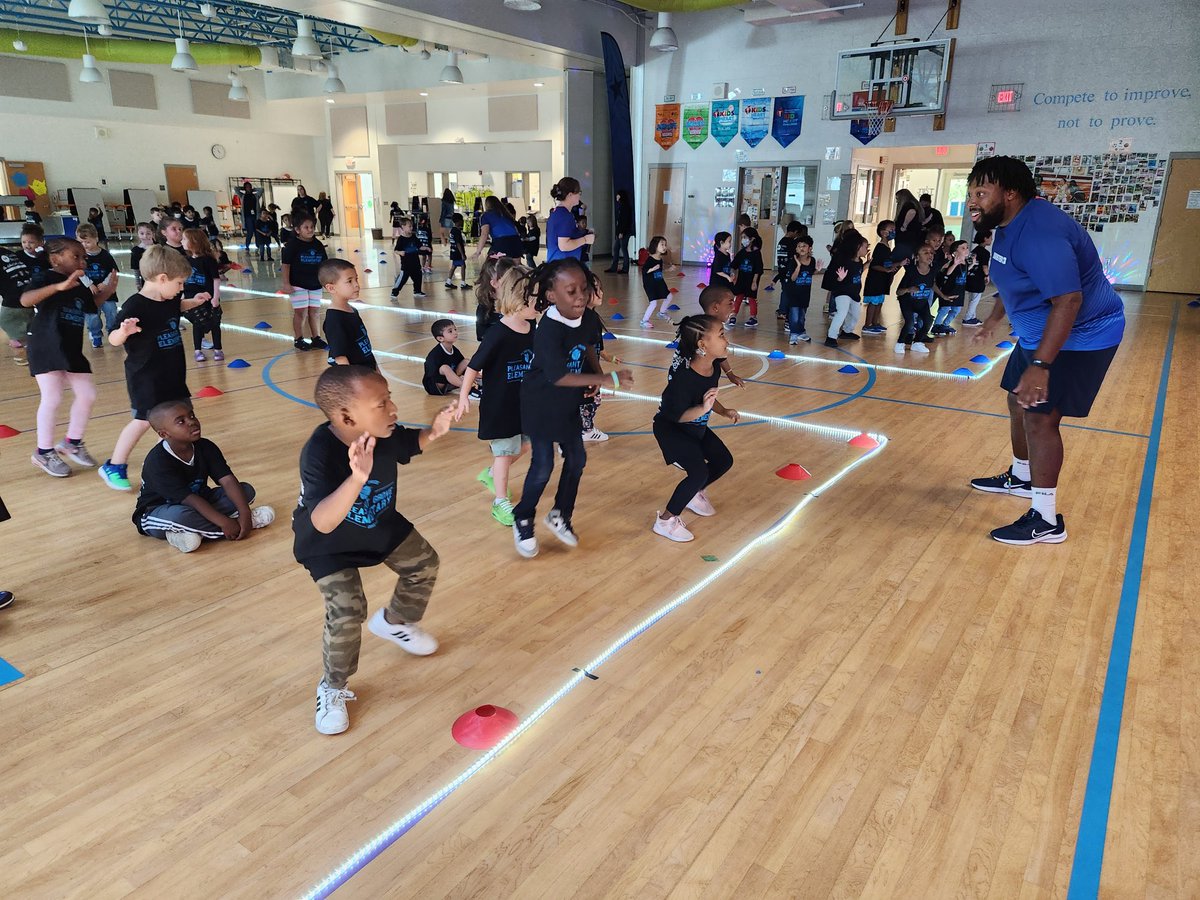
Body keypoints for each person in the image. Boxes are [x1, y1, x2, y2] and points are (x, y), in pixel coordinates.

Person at [965, 156, 1125, 545]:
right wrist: (993, 319)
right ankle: (1022, 477)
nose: (972, 202)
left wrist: (1041, 364)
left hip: (1081, 336)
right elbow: (1011, 279)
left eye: (981, 193)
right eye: (971, 193)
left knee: (1040, 418)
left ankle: (1046, 519)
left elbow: (1068, 301)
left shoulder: (1041, 234)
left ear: (1010, 193)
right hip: (1039, 333)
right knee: (1016, 401)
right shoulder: (1007, 224)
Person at [293, 365, 454, 735]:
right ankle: (332, 687)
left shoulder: (384, 432)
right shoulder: (319, 452)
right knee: (347, 611)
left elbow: (412, 443)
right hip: (328, 544)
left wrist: (435, 430)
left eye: (390, 398)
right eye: (382, 404)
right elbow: (323, 522)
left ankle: (395, 623)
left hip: (378, 522)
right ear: (347, 417)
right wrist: (358, 477)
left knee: (424, 564)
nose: (393, 409)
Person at [510, 258, 633, 558]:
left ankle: (560, 515)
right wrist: (606, 377)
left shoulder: (587, 317)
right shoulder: (549, 328)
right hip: (540, 403)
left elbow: (590, 344)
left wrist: (595, 374)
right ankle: (523, 517)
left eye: (584, 288)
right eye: (571, 291)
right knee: (543, 465)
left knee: (577, 459)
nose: (580, 296)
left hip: (567, 400)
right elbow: (558, 376)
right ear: (552, 295)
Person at [97, 245, 208, 491]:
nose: (181, 288)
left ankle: (176, 463)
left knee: (181, 417)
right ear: (162, 279)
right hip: (146, 378)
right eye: (179, 283)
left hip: (173, 375)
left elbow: (176, 307)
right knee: (143, 421)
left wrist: (194, 302)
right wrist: (124, 332)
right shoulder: (135, 306)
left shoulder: (170, 298)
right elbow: (113, 338)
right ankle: (114, 465)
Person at [21, 237, 112, 478]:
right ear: (56, 259)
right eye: (76, 256)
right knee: (52, 397)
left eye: (84, 257)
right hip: (45, 345)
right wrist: (59, 287)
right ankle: (44, 451)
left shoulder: (79, 284)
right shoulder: (45, 277)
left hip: (71, 348)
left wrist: (109, 291)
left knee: (88, 394)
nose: (83, 261)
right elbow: (25, 300)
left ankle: (72, 442)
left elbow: (90, 306)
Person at [132, 400, 274, 553]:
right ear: (164, 434)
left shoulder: (205, 446)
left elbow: (227, 480)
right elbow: (188, 499)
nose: (191, 422)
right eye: (181, 421)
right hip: (158, 511)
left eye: (192, 416)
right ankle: (239, 526)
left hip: (200, 501)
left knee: (245, 490)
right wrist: (225, 522)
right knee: (181, 516)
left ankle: (187, 533)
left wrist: (244, 513)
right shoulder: (157, 461)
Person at [452, 265, 535, 527]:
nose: (541, 303)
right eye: (535, 299)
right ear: (519, 299)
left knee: (527, 445)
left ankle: (491, 473)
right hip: (500, 407)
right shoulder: (497, 333)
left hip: (524, 404)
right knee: (504, 453)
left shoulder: (531, 327)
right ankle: (500, 502)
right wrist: (463, 397)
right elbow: (473, 367)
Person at [651, 315, 739, 543]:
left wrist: (723, 410)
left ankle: (693, 493)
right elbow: (677, 416)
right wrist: (703, 409)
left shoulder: (714, 367)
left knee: (723, 460)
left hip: (695, 428)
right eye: (721, 335)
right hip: (672, 429)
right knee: (698, 472)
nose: (726, 340)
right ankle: (666, 521)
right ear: (702, 345)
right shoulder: (683, 379)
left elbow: (707, 397)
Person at [281, 214, 328, 352]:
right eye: (306, 227)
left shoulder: (318, 244)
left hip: (315, 284)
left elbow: (324, 264)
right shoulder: (292, 245)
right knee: (300, 312)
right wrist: (286, 284)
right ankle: (299, 339)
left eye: (312, 227)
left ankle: (316, 338)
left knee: (315, 312)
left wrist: (326, 281)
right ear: (297, 230)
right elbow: (286, 265)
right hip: (298, 285)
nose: (310, 230)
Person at [320, 258, 376, 370]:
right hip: (355, 376)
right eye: (349, 281)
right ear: (331, 288)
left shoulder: (352, 310)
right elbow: (340, 358)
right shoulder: (334, 320)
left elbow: (366, 350)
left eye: (356, 279)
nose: (356, 285)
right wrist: (353, 380)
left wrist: (376, 371)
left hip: (368, 372)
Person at [181, 228, 223, 362]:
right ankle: (197, 350)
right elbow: (183, 280)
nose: (182, 241)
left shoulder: (208, 260)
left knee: (215, 323)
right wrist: (182, 296)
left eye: (184, 239)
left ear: (194, 241)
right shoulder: (186, 260)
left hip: (208, 298)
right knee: (197, 324)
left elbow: (216, 279)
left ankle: (218, 349)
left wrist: (215, 297)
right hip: (191, 298)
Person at [821, 229, 868, 348]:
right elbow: (836, 277)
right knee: (842, 312)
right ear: (857, 247)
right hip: (842, 291)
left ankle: (847, 331)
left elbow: (859, 272)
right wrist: (839, 279)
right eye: (865, 247)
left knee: (855, 314)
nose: (867, 249)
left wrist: (867, 264)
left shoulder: (859, 261)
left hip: (854, 292)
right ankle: (831, 337)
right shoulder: (844, 261)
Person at [76, 224, 120, 350]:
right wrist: (89, 284)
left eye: (87, 242)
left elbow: (113, 271)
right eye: (81, 242)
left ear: (96, 239)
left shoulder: (105, 255)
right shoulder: (80, 257)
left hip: (107, 293)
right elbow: (79, 272)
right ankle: (96, 335)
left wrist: (105, 284)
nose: (84, 245)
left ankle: (112, 332)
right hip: (89, 294)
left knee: (111, 312)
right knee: (92, 316)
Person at [861, 220, 902, 336]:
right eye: (891, 229)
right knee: (873, 303)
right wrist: (886, 270)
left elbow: (888, 264)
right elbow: (874, 265)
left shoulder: (887, 247)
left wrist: (899, 264)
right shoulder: (880, 247)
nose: (894, 232)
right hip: (875, 280)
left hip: (882, 280)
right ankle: (867, 325)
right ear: (883, 233)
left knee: (879, 302)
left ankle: (875, 323)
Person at [893, 243, 936, 354]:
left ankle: (917, 342)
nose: (930, 255)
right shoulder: (911, 272)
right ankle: (900, 343)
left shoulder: (932, 271)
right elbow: (898, 292)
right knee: (910, 323)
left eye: (931, 253)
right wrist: (908, 289)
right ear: (917, 257)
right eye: (925, 253)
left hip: (922, 302)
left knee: (928, 321)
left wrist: (943, 295)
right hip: (907, 302)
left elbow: (932, 285)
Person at [0, 239, 36, 366]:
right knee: (24, 326)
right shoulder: (8, 253)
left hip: (14, 302)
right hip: (28, 295)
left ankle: (25, 355)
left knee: (10, 324)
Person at [545, 177, 595, 262]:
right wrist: (585, 240)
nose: (579, 196)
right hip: (563, 265)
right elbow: (564, 245)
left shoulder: (557, 212)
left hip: (556, 263)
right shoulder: (565, 216)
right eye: (578, 192)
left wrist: (584, 233)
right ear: (570, 195)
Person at [782, 236, 820, 345]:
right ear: (796, 249)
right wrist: (798, 266)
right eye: (799, 246)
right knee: (794, 316)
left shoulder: (812, 260)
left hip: (805, 293)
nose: (801, 248)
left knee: (802, 316)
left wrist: (817, 270)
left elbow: (810, 273)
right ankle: (794, 334)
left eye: (804, 246)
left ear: (810, 248)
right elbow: (793, 278)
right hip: (794, 293)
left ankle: (801, 332)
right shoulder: (793, 261)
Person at [474, 255, 517, 341]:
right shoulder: (485, 306)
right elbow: (482, 335)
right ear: (493, 283)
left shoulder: (519, 302)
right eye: (506, 279)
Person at [932, 240, 970, 335]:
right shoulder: (952, 262)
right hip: (949, 290)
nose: (966, 250)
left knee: (956, 310)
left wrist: (972, 264)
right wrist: (955, 264)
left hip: (959, 291)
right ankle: (936, 325)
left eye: (967, 247)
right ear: (955, 252)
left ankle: (945, 324)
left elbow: (964, 272)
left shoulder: (965, 263)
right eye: (963, 248)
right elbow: (947, 273)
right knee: (944, 309)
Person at [728, 227, 763, 328]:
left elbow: (758, 269)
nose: (743, 240)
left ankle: (753, 317)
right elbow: (734, 265)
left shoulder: (756, 253)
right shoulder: (742, 252)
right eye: (742, 237)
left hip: (751, 280)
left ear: (752, 239)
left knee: (751, 298)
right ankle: (733, 315)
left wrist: (754, 282)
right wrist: (732, 273)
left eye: (745, 237)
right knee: (738, 297)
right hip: (742, 279)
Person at [422, 319, 468, 395]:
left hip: (450, 382)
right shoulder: (434, 355)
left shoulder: (455, 350)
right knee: (445, 368)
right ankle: (467, 388)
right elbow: (432, 375)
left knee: (466, 362)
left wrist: (465, 376)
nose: (455, 332)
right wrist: (455, 379)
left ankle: (480, 382)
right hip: (436, 385)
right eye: (450, 331)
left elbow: (462, 365)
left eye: (455, 329)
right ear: (440, 338)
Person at [473, 196, 523, 261]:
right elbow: (515, 230)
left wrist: (478, 252)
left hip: (501, 242)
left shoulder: (486, 215)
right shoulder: (506, 214)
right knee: (515, 266)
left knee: (490, 265)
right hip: (516, 241)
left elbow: (484, 234)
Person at [639, 235, 672, 328]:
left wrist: (668, 270)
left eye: (665, 245)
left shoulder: (660, 259)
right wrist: (652, 269)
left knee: (669, 296)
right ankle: (644, 321)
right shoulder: (650, 259)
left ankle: (662, 313)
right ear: (655, 246)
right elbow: (644, 270)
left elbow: (659, 271)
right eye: (662, 244)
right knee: (653, 303)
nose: (664, 247)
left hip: (659, 282)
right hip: (650, 284)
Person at [390, 217, 426, 299]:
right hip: (406, 264)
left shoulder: (413, 237)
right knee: (403, 279)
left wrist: (426, 248)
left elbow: (419, 246)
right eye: (409, 226)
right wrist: (400, 252)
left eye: (412, 226)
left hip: (415, 263)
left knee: (418, 277)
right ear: (403, 227)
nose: (411, 228)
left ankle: (417, 291)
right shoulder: (401, 239)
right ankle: (394, 292)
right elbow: (396, 250)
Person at [961, 230, 992, 326]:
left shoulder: (974, 251)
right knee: (975, 300)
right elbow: (984, 266)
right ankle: (967, 318)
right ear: (985, 239)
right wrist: (987, 276)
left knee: (972, 298)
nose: (991, 239)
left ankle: (972, 317)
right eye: (990, 238)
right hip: (978, 279)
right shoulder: (985, 253)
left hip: (970, 277)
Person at [605, 188, 634, 273]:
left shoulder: (625, 207)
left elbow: (625, 221)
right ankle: (614, 267)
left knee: (624, 249)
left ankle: (625, 268)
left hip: (624, 232)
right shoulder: (621, 206)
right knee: (616, 248)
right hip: (620, 232)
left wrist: (622, 232)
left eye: (618, 195)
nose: (616, 197)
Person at [892, 189, 924, 262]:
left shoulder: (908, 205)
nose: (897, 201)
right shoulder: (915, 205)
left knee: (899, 259)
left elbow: (912, 212)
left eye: (898, 198)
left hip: (905, 238)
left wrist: (904, 226)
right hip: (911, 238)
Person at [444, 212, 469, 291]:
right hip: (458, 252)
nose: (463, 222)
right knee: (463, 266)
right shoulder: (457, 231)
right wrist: (462, 254)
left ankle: (448, 281)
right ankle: (463, 283)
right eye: (462, 220)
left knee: (454, 266)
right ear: (458, 221)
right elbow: (458, 243)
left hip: (453, 251)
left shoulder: (452, 230)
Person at [129, 222, 156, 291]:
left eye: (148, 233)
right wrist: (138, 283)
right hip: (146, 281)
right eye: (142, 233)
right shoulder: (136, 251)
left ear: (153, 234)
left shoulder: (158, 248)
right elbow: (136, 269)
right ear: (138, 234)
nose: (145, 236)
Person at [709, 232, 735, 300]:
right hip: (718, 282)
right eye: (729, 241)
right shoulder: (719, 255)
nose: (730, 244)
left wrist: (731, 273)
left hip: (725, 281)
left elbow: (728, 266)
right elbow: (717, 271)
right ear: (721, 242)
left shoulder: (728, 254)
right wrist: (728, 277)